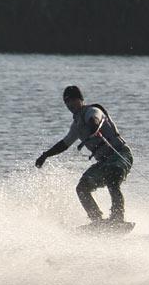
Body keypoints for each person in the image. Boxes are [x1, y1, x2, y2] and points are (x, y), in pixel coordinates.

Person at [35, 85, 134, 225]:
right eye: (67, 102)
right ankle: (97, 221)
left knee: (113, 179)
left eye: (73, 100)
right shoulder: (76, 125)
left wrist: (94, 126)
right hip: (104, 162)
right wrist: (45, 155)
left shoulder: (92, 111)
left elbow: (95, 119)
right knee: (82, 188)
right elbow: (64, 144)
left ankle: (118, 217)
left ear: (81, 100)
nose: (70, 105)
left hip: (120, 154)